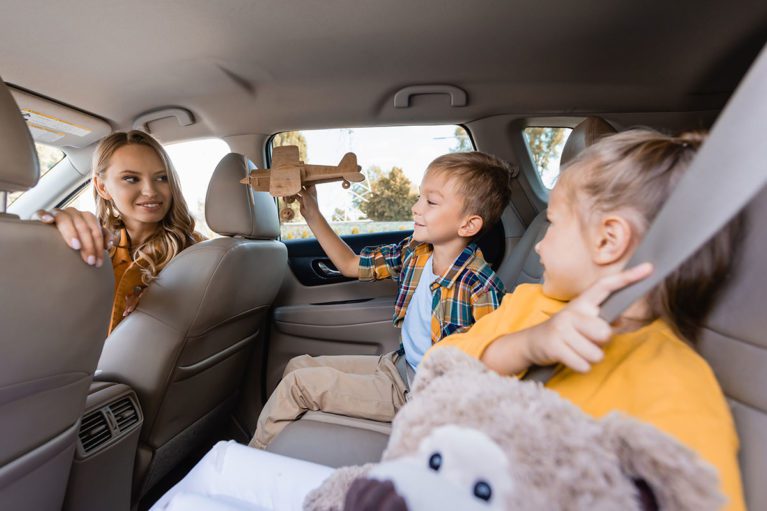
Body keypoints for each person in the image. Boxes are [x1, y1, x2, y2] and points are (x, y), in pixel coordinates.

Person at [434, 130, 745, 510]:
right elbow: (437, 376)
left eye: (553, 223)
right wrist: (524, 346)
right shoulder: (530, 304)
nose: (538, 244)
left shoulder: (675, 382)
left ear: (608, 240)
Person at [250, 151, 511, 449]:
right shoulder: (416, 253)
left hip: (418, 394)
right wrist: (312, 212)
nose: (416, 208)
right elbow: (350, 265)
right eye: (419, 197)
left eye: (431, 202)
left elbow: (491, 370)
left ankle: (248, 462)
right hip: (397, 366)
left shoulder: (480, 285)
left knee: (299, 386)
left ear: (468, 225)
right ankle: (286, 443)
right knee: (298, 366)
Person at [39, 130, 202, 333]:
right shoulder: (90, 244)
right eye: (131, 179)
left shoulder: (198, 255)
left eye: (162, 178)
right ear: (102, 187)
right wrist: (46, 239)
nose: (151, 191)